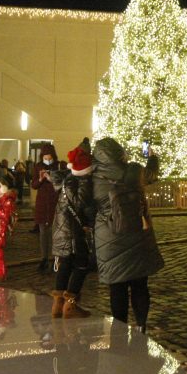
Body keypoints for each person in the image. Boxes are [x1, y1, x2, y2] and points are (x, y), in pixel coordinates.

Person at [92, 137, 164, 332]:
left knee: (117, 287)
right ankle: (141, 324)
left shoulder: (94, 176)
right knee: (140, 283)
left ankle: (119, 327)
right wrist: (153, 157)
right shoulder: (133, 170)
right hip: (137, 232)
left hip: (109, 235)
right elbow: (152, 174)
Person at [50, 139, 96, 318]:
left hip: (62, 229)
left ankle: (57, 305)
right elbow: (79, 203)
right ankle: (70, 306)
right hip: (74, 232)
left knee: (65, 264)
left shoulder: (65, 180)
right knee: (81, 265)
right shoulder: (79, 181)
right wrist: (86, 182)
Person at [32, 144, 63, 272]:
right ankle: (44, 258)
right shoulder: (38, 166)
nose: (47, 159)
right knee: (43, 233)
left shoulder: (59, 166)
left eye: (49, 157)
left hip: (55, 203)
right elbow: (34, 185)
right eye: (45, 157)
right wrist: (40, 179)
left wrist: (51, 179)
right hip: (42, 204)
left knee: (55, 233)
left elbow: (62, 183)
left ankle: (56, 259)